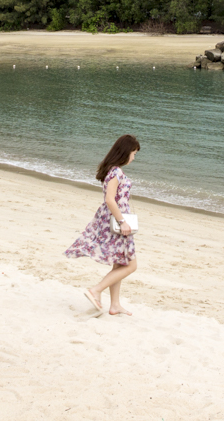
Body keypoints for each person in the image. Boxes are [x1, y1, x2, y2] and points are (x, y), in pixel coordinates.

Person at [65, 134, 141, 316]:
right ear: (126, 152)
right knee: (131, 265)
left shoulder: (112, 170)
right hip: (117, 221)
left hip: (113, 219)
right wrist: (122, 221)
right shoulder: (116, 172)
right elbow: (110, 199)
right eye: (134, 153)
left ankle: (115, 305)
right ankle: (96, 290)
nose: (134, 157)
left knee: (119, 263)